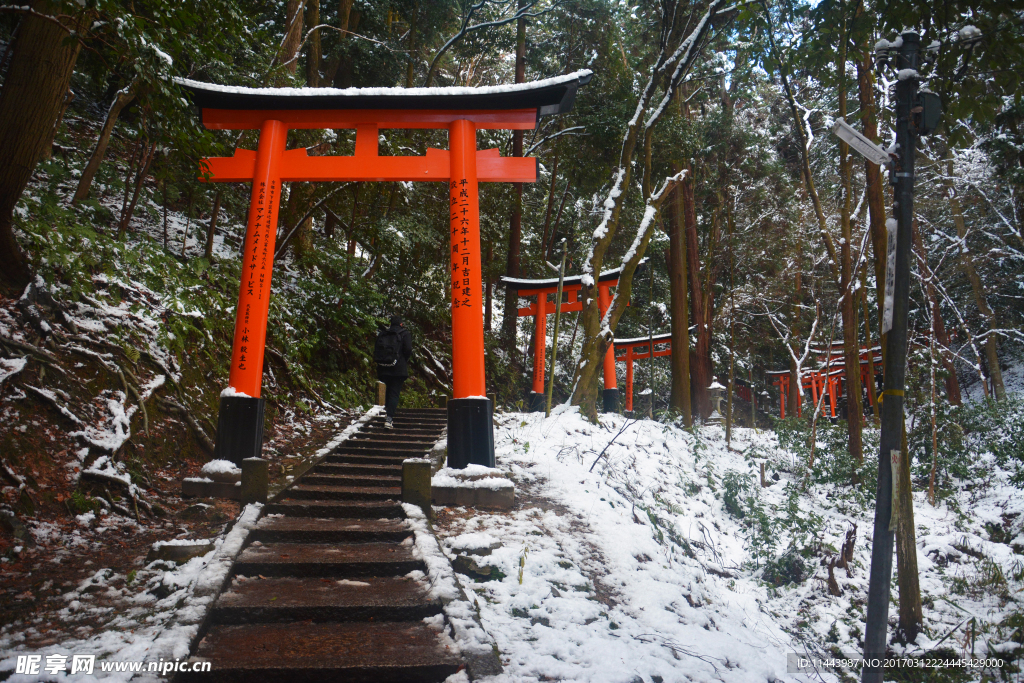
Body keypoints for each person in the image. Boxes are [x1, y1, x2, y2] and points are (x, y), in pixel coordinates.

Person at [374, 315, 413, 428]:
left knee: (387, 391)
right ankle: (389, 418)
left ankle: (387, 412)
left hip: (383, 367)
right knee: (394, 393)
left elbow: (377, 349)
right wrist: (402, 360)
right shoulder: (404, 334)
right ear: (401, 324)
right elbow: (408, 349)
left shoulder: (383, 334)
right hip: (398, 368)